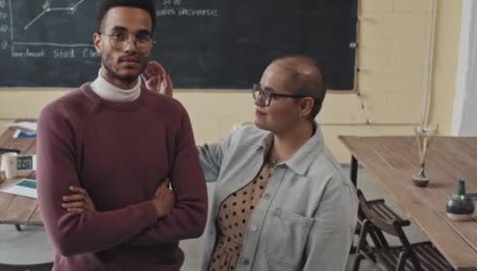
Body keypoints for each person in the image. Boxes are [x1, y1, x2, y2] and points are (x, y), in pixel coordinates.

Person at [64, 55, 358, 270]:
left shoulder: (330, 188)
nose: (257, 101)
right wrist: (162, 109)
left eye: (269, 95)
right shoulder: (244, 141)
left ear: (304, 106)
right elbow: (182, 162)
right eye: (258, 90)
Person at [37, 0, 208, 271]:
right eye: (118, 35)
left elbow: (194, 217)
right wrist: (153, 209)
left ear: (150, 44)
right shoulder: (60, 118)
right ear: (97, 42)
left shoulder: (171, 114)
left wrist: (99, 224)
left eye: (141, 36)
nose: (130, 46)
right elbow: (68, 236)